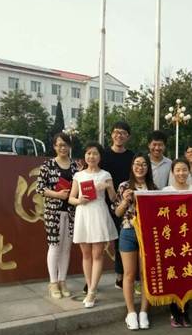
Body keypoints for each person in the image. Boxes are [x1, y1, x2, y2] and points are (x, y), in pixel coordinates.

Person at [69, 142, 118, 308]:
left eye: (95, 153)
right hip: (83, 213)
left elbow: (113, 198)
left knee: (97, 254)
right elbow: (71, 198)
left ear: (100, 156)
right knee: (86, 255)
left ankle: (92, 291)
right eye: (89, 153)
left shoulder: (105, 174)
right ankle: (90, 286)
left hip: (98, 213)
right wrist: (79, 200)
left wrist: (108, 186)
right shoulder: (79, 175)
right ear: (85, 156)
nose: (91, 156)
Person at [114, 153, 157, 330]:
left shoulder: (153, 188)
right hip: (128, 232)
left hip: (148, 234)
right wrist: (125, 201)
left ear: (148, 168)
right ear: (132, 166)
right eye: (137, 164)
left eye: (144, 164)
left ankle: (144, 312)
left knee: (146, 274)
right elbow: (117, 212)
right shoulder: (124, 186)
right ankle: (131, 312)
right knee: (129, 274)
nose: (140, 167)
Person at [36, 132, 78, 299]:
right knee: (54, 246)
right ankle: (53, 282)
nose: (62, 148)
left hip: (71, 211)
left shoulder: (75, 166)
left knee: (66, 248)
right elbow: (40, 188)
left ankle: (62, 281)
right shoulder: (48, 165)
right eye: (59, 145)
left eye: (65, 145)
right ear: (54, 146)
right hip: (53, 211)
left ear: (69, 146)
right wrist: (57, 195)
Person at [163, 158, 192, 328]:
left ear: (189, 172)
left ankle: (185, 313)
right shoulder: (165, 191)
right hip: (171, 241)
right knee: (173, 276)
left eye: (184, 170)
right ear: (172, 172)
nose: (181, 173)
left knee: (187, 275)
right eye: (177, 170)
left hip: (189, 241)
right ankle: (174, 313)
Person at [101, 121, 135, 291]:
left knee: (122, 240)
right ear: (111, 135)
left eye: (122, 133)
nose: (119, 135)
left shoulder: (132, 156)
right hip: (103, 204)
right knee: (99, 243)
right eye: (116, 132)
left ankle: (120, 276)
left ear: (128, 136)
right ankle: (91, 281)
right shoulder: (103, 155)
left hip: (126, 206)